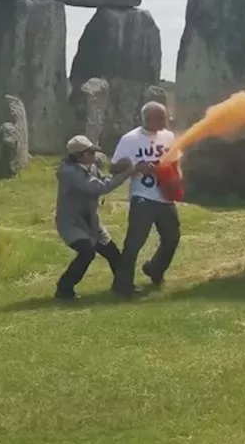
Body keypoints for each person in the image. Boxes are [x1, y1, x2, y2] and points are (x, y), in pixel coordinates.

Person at [111, 101, 181, 299]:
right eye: (161, 118)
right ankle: (122, 285)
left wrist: (178, 181)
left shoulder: (168, 136)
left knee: (172, 237)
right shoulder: (130, 139)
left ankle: (155, 269)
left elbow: (176, 161)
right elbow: (113, 167)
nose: (165, 121)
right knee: (134, 242)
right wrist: (135, 167)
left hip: (165, 196)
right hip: (143, 196)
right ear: (148, 118)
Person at [54, 135, 134, 301]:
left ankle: (123, 286)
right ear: (81, 155)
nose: (94, 155)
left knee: (112, 252)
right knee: (86, 252)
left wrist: (117, 170)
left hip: (91, 222)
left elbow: (103, 179)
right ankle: (64, 288)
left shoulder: (89, 167)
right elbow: (99, 187)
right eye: (91, 152)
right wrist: (128, 172)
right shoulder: (70, 173)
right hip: (72, 223)